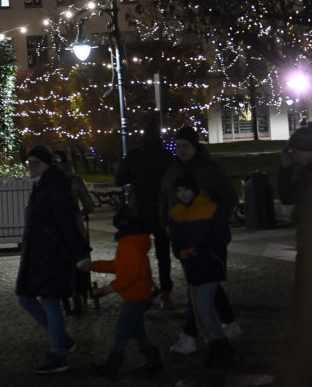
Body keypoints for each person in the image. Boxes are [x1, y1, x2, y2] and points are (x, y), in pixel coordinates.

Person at [161, 126, 240, 354]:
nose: (181, 149)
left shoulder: (210, 169)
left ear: (195, 146)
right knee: (204, 284)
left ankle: (191, 336)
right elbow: (165, 196)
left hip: (206, 238)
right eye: (178, 145)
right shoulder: (172, 170)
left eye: (185, 145)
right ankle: (229, 323)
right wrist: (167, 223)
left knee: (198, 289)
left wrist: (214, 222)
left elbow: (229, 197)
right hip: (182, 233)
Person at [16, 144, 92, 375]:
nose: (31, 167)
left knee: (46, 301)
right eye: (29, 163)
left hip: (51, 254)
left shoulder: (54, 186)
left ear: (47, 164)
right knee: (28, 297)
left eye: (35, 163)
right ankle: (61, 342)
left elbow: (65, 222)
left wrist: (80, 255)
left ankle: (59, 351)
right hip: (40, 252)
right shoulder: (44, 184)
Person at [167, 172, 234, 368]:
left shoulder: (211, 208)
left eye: (186, 189)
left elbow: (223, 236)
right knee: (198, 310)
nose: (183, 194)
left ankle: (218, 343)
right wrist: (180, 252)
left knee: (203, 307)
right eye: (178, 191)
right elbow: (176, 239)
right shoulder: (177, 213)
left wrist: (200, 249)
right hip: (192, 265)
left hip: (210, 263)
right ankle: (218, 343)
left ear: (194, 190)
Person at [90, 204, 163, 380]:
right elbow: (122, 267)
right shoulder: (133, 241)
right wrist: (95, 266)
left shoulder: (128, 243)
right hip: (139, 292)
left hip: (135, 294)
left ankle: (114, 365)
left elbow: (127, 274)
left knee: (123, 329)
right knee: (138, 331)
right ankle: (154, 362)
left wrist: (106, 289)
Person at [116, 122, 176, 308]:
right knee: (163, 254)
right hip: (161, 209)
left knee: (139, 253)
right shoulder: (167, 156)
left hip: (139, 210)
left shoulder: (135, 156)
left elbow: (119, 179)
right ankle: (166, 293)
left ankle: (146, 289)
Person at [279, 124, 312, 288]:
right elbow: (287, 197)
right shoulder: (307, 170)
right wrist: (285, 169)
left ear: (305, 149)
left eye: (294, 152)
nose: (293, 157)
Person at [55, 154, 93, 315]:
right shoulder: (76, 180)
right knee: (79, 258)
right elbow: (89, 205)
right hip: (76, 224)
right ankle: (80, 290)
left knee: (61, 260)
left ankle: (64, 297)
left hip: (57, 226)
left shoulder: (51, 181)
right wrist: (82, 213)